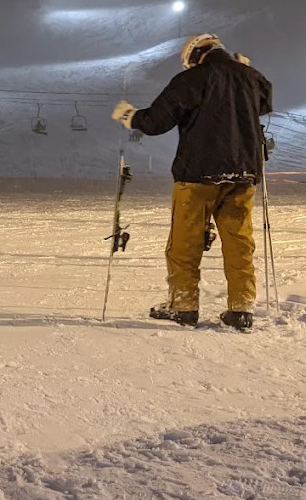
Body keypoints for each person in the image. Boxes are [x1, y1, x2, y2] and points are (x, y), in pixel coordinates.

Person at [111, 33, 273, 331]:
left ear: (196, 56)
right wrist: (243, 72)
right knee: (239, 243)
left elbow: (157, 121)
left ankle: (183, 306)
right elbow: (264, 103)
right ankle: (241, 309)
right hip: (244, 174)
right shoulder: (251, 76)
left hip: (198, 175)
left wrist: (130, 116)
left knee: (185, 244)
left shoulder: (193, 79)